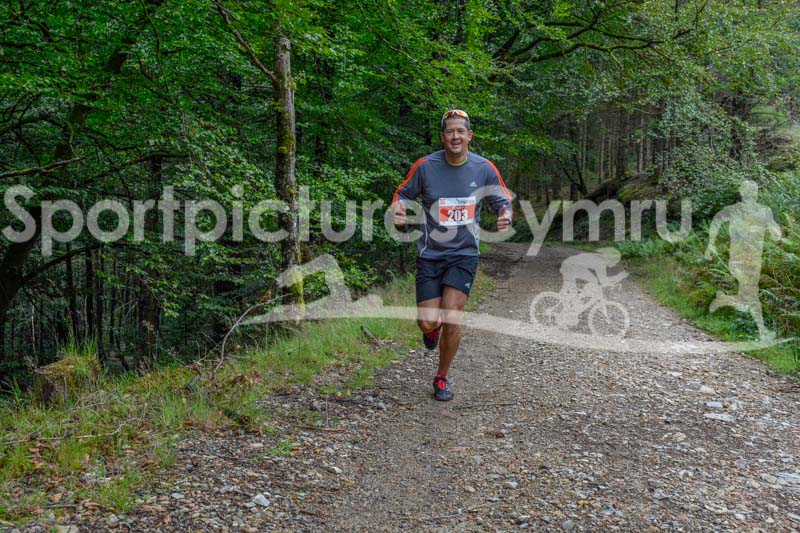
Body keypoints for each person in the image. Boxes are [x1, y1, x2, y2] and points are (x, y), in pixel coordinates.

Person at [391, 109, 512, 401]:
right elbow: (402, 193)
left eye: (460, 131)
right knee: (427, 322)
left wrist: (505, 215)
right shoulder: (425, 166)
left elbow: (503, 200)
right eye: (450, 132)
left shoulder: (484, 168)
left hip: (464, 254)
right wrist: (399, 209)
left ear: (469, 136)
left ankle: (442, 377)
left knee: (452, 315)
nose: (455, 136)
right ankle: (432, 331)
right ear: (442, 136)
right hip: (431, 255)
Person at [705, 180, 782, 340]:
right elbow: (716, 221)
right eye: (748, 189)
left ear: (757, 192)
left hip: (755, 259)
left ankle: (724, 300)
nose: (751, 192)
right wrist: (710, 244)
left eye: (754, 189)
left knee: (747, 296)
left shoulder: (764, 211)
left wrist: (776, 232)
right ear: (741, 192)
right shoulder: (733, 210)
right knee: (751, 293)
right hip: (738, 259)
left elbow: (774, 227)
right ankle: (762, 332)